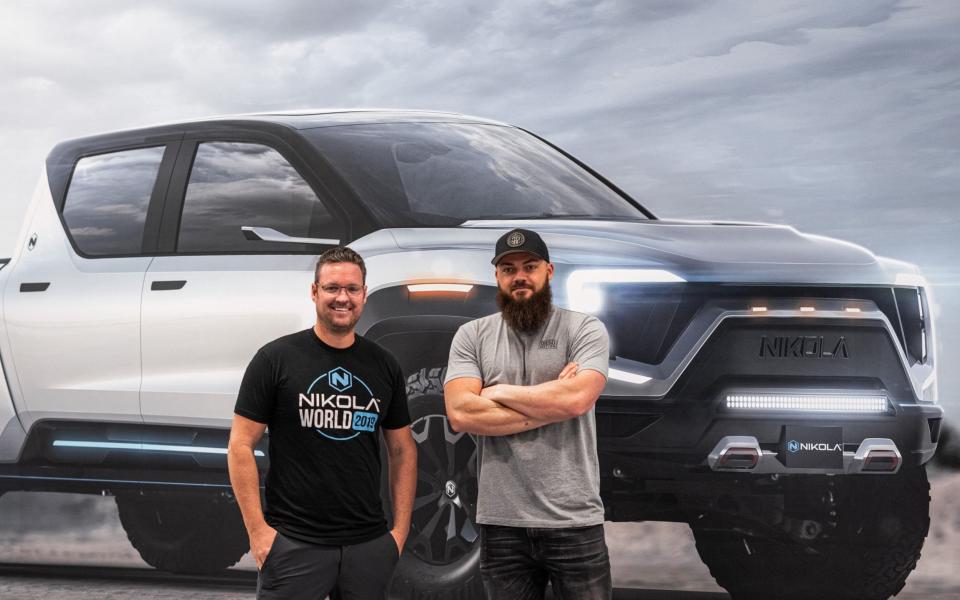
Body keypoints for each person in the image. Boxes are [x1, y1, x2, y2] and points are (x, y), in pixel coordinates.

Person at [228, 246, 417, 600]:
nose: (342, 298)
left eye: (352, 289)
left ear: (363, 293)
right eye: (332, 288)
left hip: (368, 547)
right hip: (295, 545)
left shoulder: (384, 364)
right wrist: (258, 532)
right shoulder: (275, 359)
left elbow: (402, 449)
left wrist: (399, 535)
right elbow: (240, 445)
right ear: (314, 292)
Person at [443, 228, 612, 600]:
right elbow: (459, 412)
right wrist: (554, 401)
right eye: (508, 268)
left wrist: (498, 392)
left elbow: (579, 400)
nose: (519, 276)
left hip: (574, 520)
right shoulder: (471, 336)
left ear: (549, 271)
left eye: (529, 266)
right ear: (497, 277)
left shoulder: (584, 329)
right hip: (502, 524)